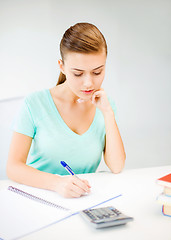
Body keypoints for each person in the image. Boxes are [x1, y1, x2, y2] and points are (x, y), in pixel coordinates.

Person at [6, 22, 126, 198]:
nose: (88, 83)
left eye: (97, 72)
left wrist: (108, 113)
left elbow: (116, 166)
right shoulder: (34, 103)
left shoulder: (105, 105)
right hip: (39, 197)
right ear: (61, 66)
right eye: (78, 73)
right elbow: (13, 167)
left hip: (82, 199)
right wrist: (57, 183)